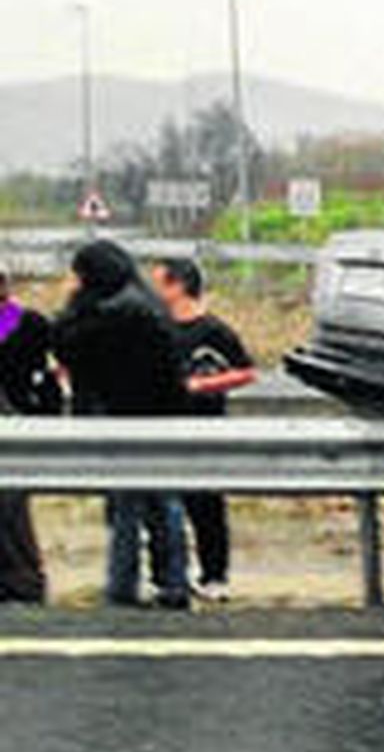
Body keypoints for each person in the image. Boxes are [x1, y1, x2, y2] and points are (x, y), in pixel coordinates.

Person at [52, 240, 189, 610]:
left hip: (118, 417)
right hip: (155, 419)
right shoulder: (148, 305)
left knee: (128, 505)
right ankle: (171, 582)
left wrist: (71, 304)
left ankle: (123, 587)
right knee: (161, 503)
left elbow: (61, 341)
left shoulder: (101, 312)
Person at [151, 258, 257, 602]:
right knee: (164, 506)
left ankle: (214, 575)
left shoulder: (214, 330)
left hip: (204, 426)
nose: (153, 290)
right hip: (165, 424)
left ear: (178, 286)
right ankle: (168, 577)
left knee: (205, 504)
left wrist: (203, 385)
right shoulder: (158, 327)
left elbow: (246, 371)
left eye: (159, 283)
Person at [0, 269, 61, 603]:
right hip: (21, 418)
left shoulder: (22, 322)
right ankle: (21, 579)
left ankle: (22, 581)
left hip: (14, 420)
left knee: (11, 511)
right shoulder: (29, 321)